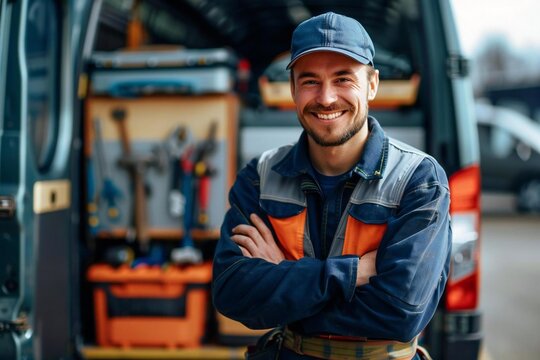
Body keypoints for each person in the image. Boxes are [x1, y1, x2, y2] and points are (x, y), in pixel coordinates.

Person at [212, 11, 451, 360]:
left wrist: (282, 278)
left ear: (372, 84)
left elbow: (401, 312)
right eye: (310, 81)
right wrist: (352, 273)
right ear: (292, 88)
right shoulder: (260, 176)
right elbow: (232, 292)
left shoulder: (419, 179)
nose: (325, 98)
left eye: (343, 79)